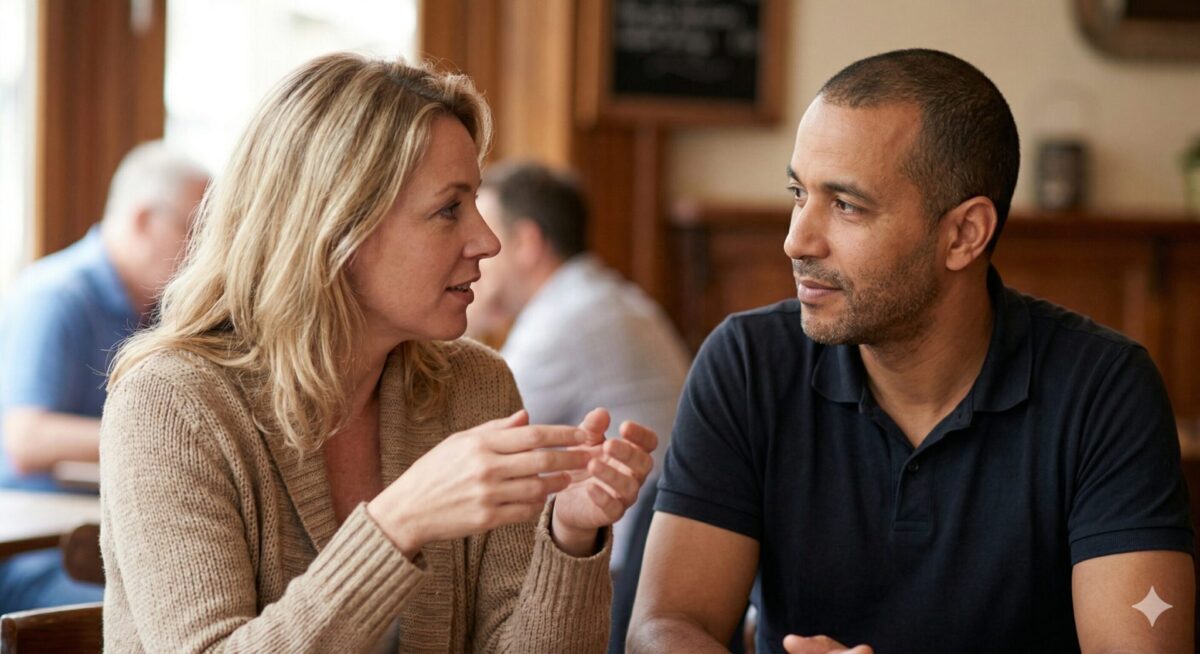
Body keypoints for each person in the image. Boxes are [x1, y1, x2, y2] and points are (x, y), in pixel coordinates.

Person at [628, 48, 1194, 654]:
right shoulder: (747, 362)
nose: (796, 240)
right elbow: (664, 627)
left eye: (846, 206)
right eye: (799, 193)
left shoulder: (1104, 389)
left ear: (963, 234)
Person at [100, 53, 656, 652]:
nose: (487, 240)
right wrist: (400, 521)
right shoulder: (170, 402)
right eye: (449, 209)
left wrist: (571, 535)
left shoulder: (476, 385)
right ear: (337, 229)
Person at [467, 161, 692, 652]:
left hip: (616, 574)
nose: (474, 254)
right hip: (647, 554)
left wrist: (463, 317)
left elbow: (468, 440)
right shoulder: (600, 298)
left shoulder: (566, 320)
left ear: (526, 243)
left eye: (486, 233)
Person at [0, 140, 207, 613]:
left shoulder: (161, 311)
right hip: (40, 553)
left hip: (113, 536)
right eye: (193, 229)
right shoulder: (54, 297)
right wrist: (155, 436)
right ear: (141, 221)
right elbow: (26, 438)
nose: (202, 250)